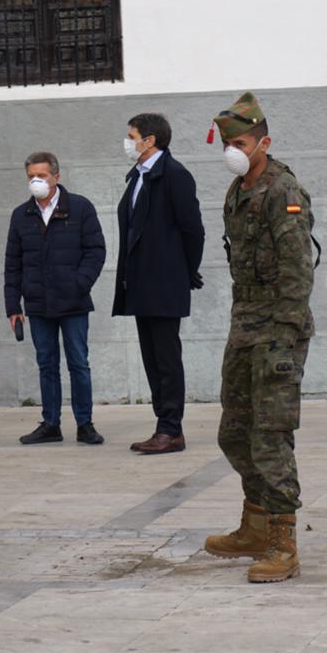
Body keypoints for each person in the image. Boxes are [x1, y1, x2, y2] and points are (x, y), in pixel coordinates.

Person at [202, 93, 316, 583]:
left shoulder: (281, 190)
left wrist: (286, 333)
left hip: (278, 326)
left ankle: (283, 543)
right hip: (245, 322)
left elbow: (298, 267)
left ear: (263, 144)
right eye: (227, 143)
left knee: (270, 434)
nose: (232, 151)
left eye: (241, 143)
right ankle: (254, 526)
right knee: (234, 430)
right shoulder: (237, 190)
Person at [112, 113, 205, 454]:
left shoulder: (175, 175)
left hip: (164, 281)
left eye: (131, 136)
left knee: (166, 358)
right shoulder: (138, 175)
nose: (128, 142)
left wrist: (184, 271)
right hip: (140, 282)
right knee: (152, 358)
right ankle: (162, 425)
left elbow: (193, 230)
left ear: (149, 140)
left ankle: (171, 429)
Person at [3, 152, 107, 446]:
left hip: (73, 302)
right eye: (31, 176)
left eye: (42, 175)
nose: (36, 181)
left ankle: (85, 424)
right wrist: (13, 306)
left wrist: (80, 283)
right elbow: (13, 263)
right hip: (38, 304)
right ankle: (51, 423)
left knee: (78, 363)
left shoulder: (80, 208)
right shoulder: (21, 215)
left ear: (56, 177)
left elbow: (96, 251)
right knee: (46, 364)